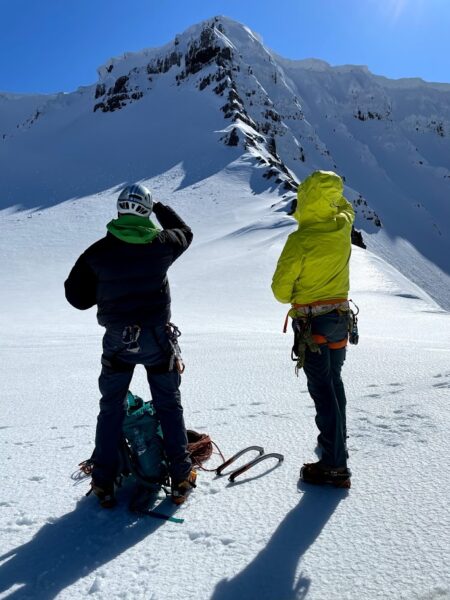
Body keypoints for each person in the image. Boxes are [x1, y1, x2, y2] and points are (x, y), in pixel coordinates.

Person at [64, 183, 196, 507]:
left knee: (111, 409)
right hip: (156, 339)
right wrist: (160, 207)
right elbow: (185, 232)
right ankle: (181, 477)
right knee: (168, 404)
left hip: (117, 340)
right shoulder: (162, 244)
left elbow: (75, 296)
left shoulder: (97, 252)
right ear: (146, 211)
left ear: (120, 210)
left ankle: (104, 483)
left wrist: (107, 289)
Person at [271, 170, 354, 488]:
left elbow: (280, 291)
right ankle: (336, 442)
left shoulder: (300, 240)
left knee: (322, 389)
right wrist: (336, 199)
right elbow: (348, 208)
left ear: (305, 198)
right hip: (340, 318)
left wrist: (298, 295)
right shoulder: (343, 226)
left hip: (312, 323)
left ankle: (334, 464)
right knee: (334, 381)